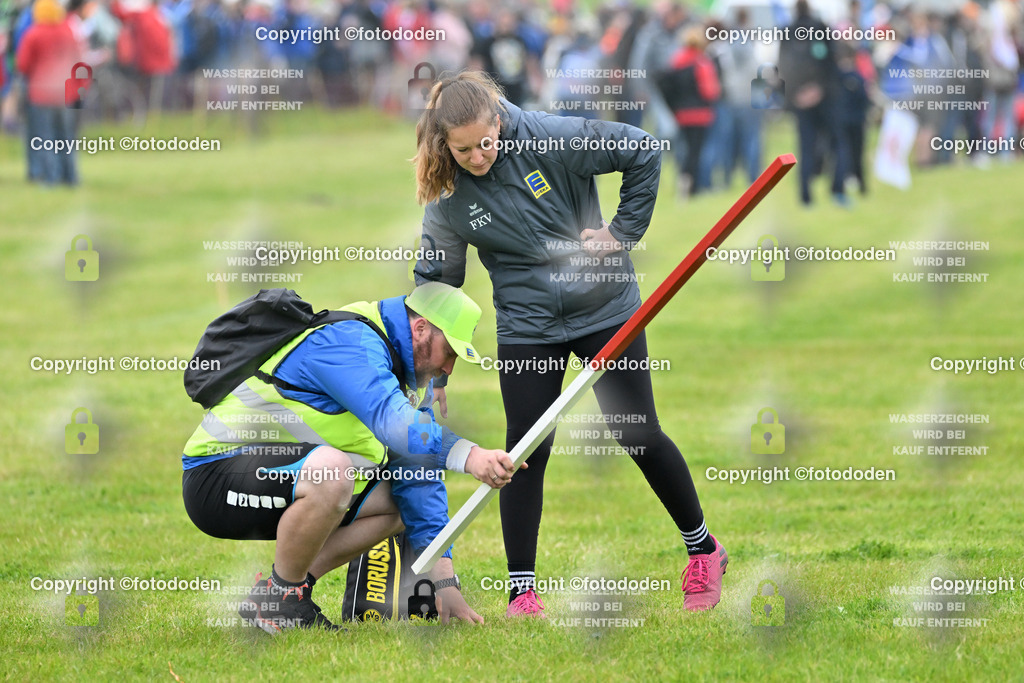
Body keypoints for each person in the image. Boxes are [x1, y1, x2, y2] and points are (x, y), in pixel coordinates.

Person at [412, 71, 727, 618]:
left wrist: (621, 234)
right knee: (524, 452)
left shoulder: (551, 136)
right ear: (445, 143)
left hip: (604, 308)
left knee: (638, 433)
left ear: (499, 119)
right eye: (463, 150)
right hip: (528, 325)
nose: (478, 157)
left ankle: (705, 550)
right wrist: (435, 371)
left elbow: (642, 149)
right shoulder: (448, 195)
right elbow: (438, 287)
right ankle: (522, 592)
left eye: (486, 143)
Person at [181, 283, 521, 633]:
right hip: (216, 475)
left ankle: (284, 594)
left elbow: (418, 478)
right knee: (333, 472)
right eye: (448, 352)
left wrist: (445, 583)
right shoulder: (352, 342)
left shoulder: (402, 376)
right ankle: (281, 597)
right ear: (420, 329)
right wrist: (468, 455)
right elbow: (397, 426)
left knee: (397, 503)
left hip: (282, 479)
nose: (448, 369)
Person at [15, 0, 82, 185]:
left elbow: (23, 64)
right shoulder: (68, 31)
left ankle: (51, 177)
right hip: (64, 92)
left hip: (41, 93)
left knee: (44, 138)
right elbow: (77, 59)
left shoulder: (34, 34)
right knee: (65, 136)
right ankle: (71, 176)